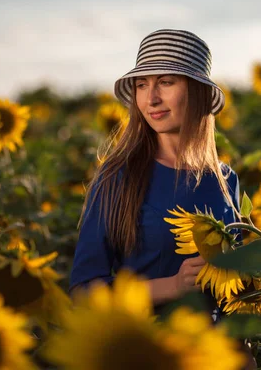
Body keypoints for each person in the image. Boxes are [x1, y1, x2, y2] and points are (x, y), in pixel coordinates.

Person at [69, 29, 240, 315]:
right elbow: (84, 291)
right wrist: (172, 286)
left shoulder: (225, 180)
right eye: (142, 85)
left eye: (166, 82)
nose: (151, 99)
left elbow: (237, 287)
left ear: (197, 91)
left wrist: (242, 348)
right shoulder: (117, 178)